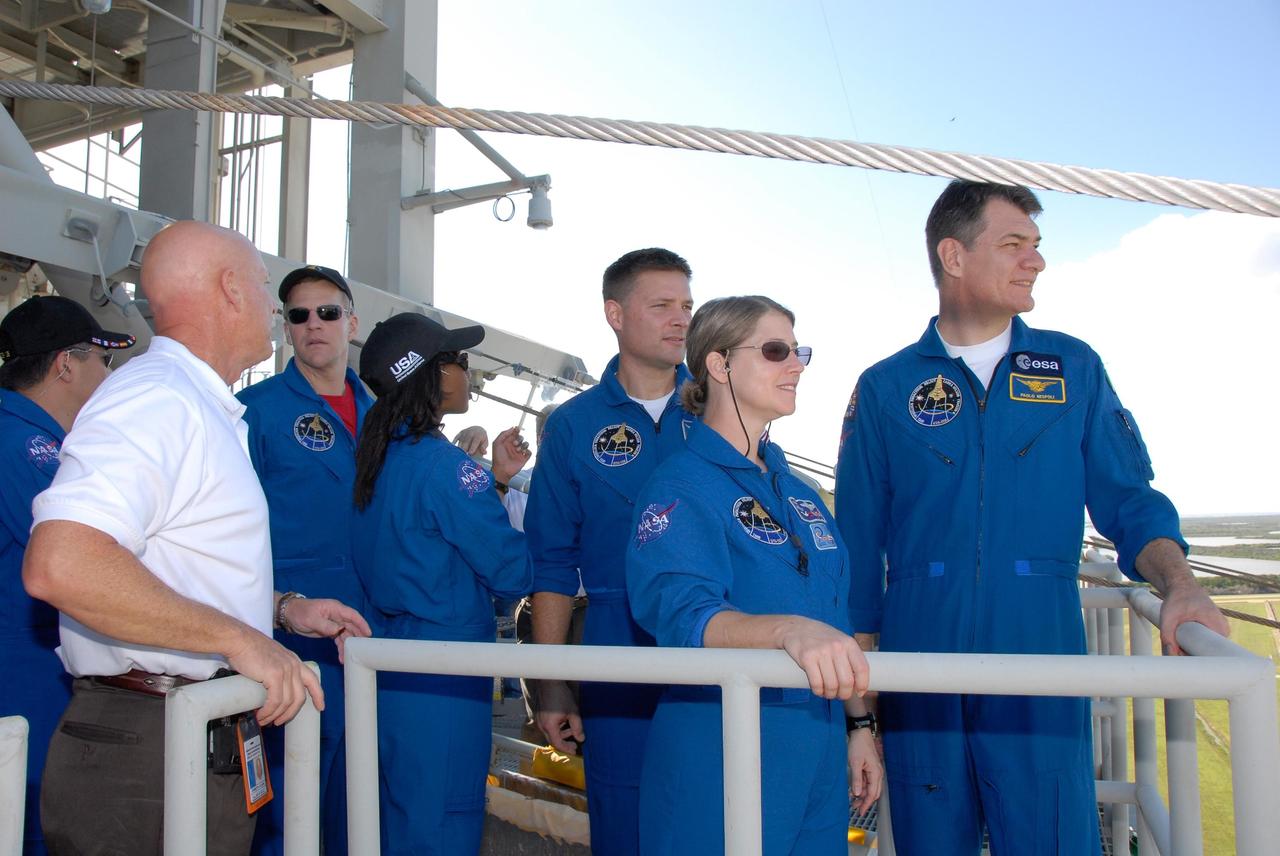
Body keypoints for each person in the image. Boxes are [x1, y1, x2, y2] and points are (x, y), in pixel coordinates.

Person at [834, 180, 1229, 856]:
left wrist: (1181, 584)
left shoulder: (1073, 369)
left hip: (1042, 649)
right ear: (954, 257)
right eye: (1014, 244)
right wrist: (859, 717)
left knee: (1052, 836)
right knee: (929, 842)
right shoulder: (885, 388)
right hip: (919, 658)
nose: (1036, 261)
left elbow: (1129, 500)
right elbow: (858, 550)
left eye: (1036, 246)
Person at [22, 221, 371, 856]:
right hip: (149, 750)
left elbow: (174, 564)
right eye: (266, 288)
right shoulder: (159, 398)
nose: (273, 308)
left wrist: (277, 610)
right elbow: (63, 562)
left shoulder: (201, 406)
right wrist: (241, 640)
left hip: (191, 736)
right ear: (231, 290)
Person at [627, 296, 881, 855]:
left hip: (816, 746)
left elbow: (834, 619)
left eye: (799, 351)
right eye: (775, 351)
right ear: (719, 365)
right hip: (724, 745)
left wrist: (859, 729)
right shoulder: (681, 485)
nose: (797, 365)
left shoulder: (800, 494)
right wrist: (787, 630)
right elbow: (681, 614)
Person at [524, 247, 694, 856]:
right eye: (663, 306)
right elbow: (550, 564)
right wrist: (552, 685)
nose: (682, 321)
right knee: (620, 815)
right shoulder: (573, 426)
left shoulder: (722, 412)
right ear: (615, 314)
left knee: (709, 811)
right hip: (613, 638)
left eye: (687, 306)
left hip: (712, 634)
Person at [351, 312, 532, 856]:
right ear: (429, 375)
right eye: (460, 361)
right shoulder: (445, 466)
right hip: (446, 675)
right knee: (444, 821)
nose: (468, 372)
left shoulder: (376, 458)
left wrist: (494, 480)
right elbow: (512, 572)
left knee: (394, 817)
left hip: (387, 668)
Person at [237, 264, 373, 856]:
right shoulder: (252, 412)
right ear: (286, 329)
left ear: (352, 321)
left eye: (328, 312)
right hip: (289, 636)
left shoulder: (388, 417)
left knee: (360, 802)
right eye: (299, 315)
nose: (314, 324)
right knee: (286, 809)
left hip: (372, 632)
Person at [0, 295, 134, 856]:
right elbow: (83, 558)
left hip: (30, 665)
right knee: (30, 826)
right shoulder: (26, 446)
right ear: (65, 365)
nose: (108, 376)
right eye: (103, 361)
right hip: (24, 676)